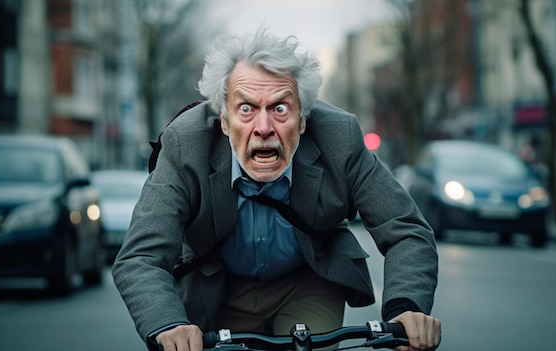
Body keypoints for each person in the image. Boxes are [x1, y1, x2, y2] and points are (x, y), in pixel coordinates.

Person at [112, 28, 441, 351]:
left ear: (302, 119)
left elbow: (405, 229)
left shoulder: (341, 138)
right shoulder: (186, 144)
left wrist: (405, 308)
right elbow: (141, 256)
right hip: (218, 285)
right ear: (224, 121)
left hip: (306, 280)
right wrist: (166, 323)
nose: (264, 128)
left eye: (280, 108)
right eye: (246, 109)